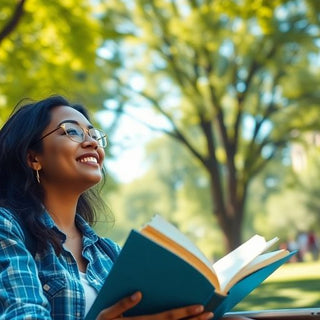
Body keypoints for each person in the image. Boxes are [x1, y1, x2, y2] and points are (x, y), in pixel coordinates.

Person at [0, 95, 250, 320]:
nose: (91, 143)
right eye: (72, 132)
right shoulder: (8, 227)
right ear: (34, 158)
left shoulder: (110, 253)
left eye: (93, 134)